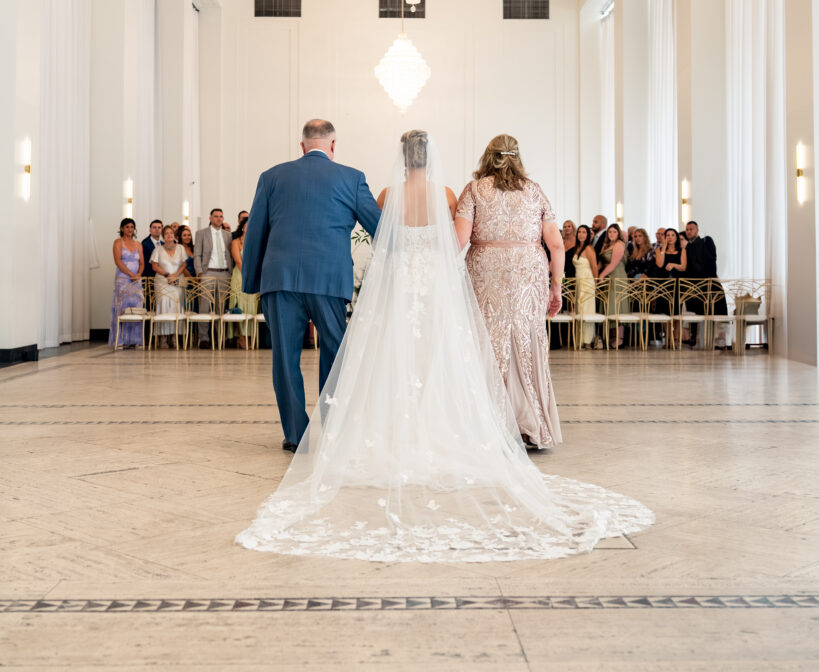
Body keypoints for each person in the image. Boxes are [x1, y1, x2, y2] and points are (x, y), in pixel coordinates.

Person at [236, 132, 653, 563]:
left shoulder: (384, 193)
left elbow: (384, 237)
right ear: (430, 158)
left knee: (373, 355)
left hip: (386, 281)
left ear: (402, 157)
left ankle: (323, 434)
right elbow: (453, 241)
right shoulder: (450, 193)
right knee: (434, 355)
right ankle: (433, 424)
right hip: (431, 283)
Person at [242, 119, 381, 452]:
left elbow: (255, 233)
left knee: (284, 358)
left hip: (280, 279)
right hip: (329, 280)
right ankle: (333, 431)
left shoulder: (271, 177)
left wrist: (251, 281)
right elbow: (378, 225)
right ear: (333, 145)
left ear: (301, 145)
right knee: (335, 353)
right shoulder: (352, 177)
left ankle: (296, 436)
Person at [454, 134, 564, 450]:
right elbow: (556, 244)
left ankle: (490, 425)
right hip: (530, 269)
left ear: (487, 157)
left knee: (488, 338)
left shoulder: (474, 190)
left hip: (487, 269)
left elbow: (459, 239)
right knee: (527, 340)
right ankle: (531, 425)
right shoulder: (535, 192)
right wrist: (555, 286)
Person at [193, 208, 234, 347]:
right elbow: (197, 254)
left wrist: (231, 273)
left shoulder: (228, 235)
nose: (218, 219)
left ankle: (220, 337)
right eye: (216, 216)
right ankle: (204, 338)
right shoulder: (201, 233)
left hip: (225, 273)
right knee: (204, 306)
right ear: (210, 218)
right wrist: (199, 272)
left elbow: (231, 254)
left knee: (221, 307)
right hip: (208, 272)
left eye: (221, 216)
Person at [683, 220, 724, 345]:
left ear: (697, 230)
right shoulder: (687, 247)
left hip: (708, 282)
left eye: (691, 229)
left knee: (714, 311)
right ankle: (696, 340)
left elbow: (710, 261)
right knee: (696, 313)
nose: (689, 231)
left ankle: (717, 341)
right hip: (694, 285)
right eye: (687, 229)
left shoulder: (706, 241)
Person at [109, 218, 144, 347]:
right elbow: (118, 261)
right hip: (123, 279)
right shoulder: (118, 242)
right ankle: (120, 340)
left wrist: (138, 274)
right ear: (122, 228)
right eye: (127, 227)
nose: (130, 229)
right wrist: (130, 274)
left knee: (135, 308)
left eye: (132, 227)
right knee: (122, 308)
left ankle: (134, 340)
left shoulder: (138, 244)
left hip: (136, 280)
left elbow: (141, 263)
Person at [151, 225, 187, 348]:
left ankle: (175, 336)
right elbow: (154, 266)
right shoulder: (157, 250)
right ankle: (163, 337)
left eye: (171, 233)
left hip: (177, 281)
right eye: (166, 233)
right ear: (163, 236)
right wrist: (167, 275)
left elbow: (183, 264)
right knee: (164, 307)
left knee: (176, 307)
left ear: (174, 235)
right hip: (162, 281)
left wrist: (176, 275)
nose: (169, 235)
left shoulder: (181, 248)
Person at [228, 214, 257, 349]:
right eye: (246, 224)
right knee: (240, 306)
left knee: (251, 307)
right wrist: (247, 274)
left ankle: (250, 336)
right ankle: (241, 336)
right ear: (243, 227)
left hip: (253, 275)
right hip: (239, 276)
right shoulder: (236, 241)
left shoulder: (255, 240)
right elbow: (238, 261)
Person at [655, 228, 687, 344]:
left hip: (677, 283)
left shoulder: (682, 250)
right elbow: (659, 264)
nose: (670, 237)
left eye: (672, 235)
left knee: (676, 312)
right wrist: (663, 248)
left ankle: (676, 338)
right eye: (667, 235)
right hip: (664, 284)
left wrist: (673, 265)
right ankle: (668, 339)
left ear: (676, 237)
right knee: (665, 312)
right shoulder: (659, 250)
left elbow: (683, 267)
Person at [598, 224, 628, 347]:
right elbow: (602, 262)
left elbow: (613, 264)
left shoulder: (619, 244)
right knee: (610, 306)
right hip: (608, 277)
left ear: (618, 233)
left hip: (617, 276)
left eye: (614, 232)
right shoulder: (607, 245)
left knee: (617, 306)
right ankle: (612, 336)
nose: (611, 234)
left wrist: (601, 276)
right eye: (609, 232)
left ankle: (619, 338)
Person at [573, 223, 599, 349]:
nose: (581, 234)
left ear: (588, 235)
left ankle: (588, 339)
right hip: (579, 280)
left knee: (587, 309)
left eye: (584, 232)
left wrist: (595, 282)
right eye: (579, 232)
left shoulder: (589, 249)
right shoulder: (577, 248)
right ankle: (580, 339)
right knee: (579, 308)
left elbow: (594, 266)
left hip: (587, 281)